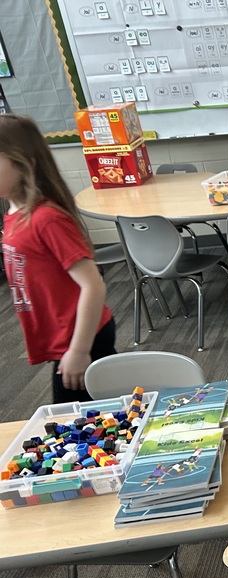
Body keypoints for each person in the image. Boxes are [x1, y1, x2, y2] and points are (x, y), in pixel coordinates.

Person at [0, 114, 116, 403]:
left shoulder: (46, 219)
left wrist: (78, 349)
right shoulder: (15, 216)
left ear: (26, 163)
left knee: (82, 424)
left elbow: (93, 286)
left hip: (81, 337)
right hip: (64, 338)